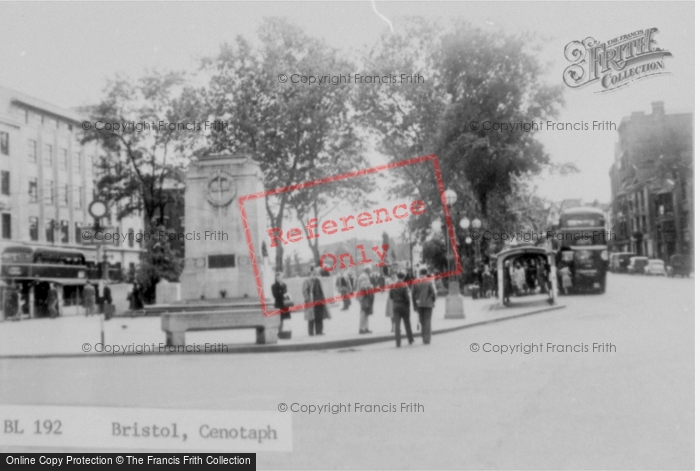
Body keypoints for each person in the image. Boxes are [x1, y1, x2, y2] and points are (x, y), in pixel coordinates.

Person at [412, 268, 436, 345]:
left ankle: (423, 336)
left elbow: (413, 295)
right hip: (428, 304)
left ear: (419, 273)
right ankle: (427, 338)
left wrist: (414, 305)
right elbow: (433, 293)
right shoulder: (429, 282)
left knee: (422, 320)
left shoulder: (415, 282)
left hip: (419, 304)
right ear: (426, 273)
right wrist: (433, 301)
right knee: (427, 321)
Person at [390, 272, 413, 347]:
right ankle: (410, 339)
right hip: (404, 306)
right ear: (403, 277)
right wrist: (408, 305)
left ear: (397, 276)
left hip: (395, 306)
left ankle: (398, 342)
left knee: (397, 325)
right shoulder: (404, 285)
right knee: (407, 323)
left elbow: (391, 296)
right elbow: (407, 297)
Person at [271, 272, 291, 336]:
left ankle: (282, 331)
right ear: (276, 278)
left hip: (284, 304)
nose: (279, 278)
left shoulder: (284, 285)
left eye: (281, 277)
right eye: (278, 277)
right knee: (278, 318)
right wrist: (282, 294)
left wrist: (286, 296)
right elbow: (275, 295)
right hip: (278, 304)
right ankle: (279, 331)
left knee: (284, 318)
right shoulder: (273, 286)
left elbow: (286, 293)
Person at [356, 267, 374, 334]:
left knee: (366, 312)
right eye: (370, 271)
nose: (371, 272)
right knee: (364, 313)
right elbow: (362, 286)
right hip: (363, 297)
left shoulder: (364, 276)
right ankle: (362, 329)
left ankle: (365, 328)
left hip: (365, 297)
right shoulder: (363, 277)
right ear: (367, 270)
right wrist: (370, 286)